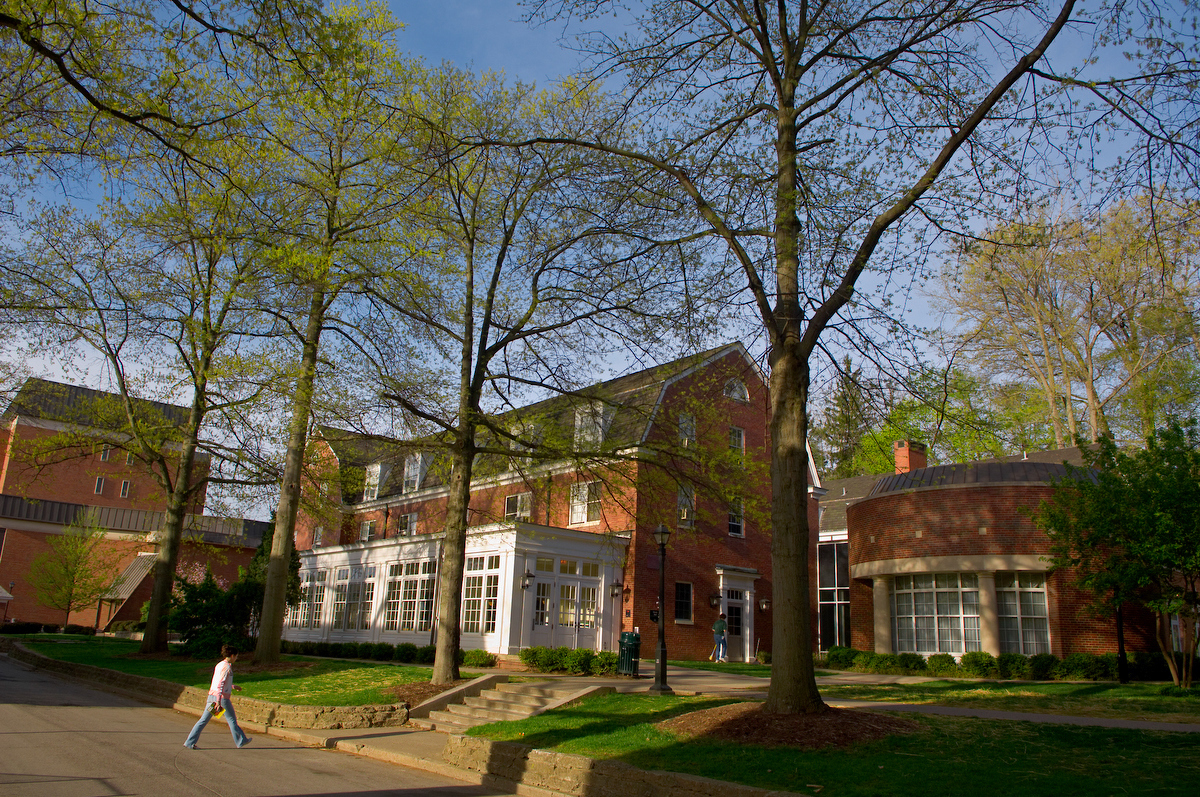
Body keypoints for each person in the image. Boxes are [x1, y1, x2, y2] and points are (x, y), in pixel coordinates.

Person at [184, 644, 252, 749]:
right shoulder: (226, 667)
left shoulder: (220, 665)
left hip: (212, 696)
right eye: (236, 656)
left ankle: (189, 742)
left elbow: (218, 682)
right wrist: (219, 701)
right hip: (221, 699)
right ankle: (241, 740)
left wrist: (233, 686)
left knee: (204, 720)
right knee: (231, 719)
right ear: (233, 655)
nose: (237, 658)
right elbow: (221, 683)